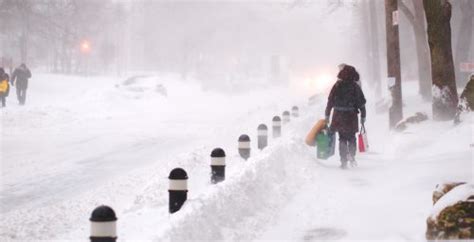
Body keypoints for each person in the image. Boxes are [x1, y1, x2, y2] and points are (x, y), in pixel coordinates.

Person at [325, 65, 367, 169]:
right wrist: (363, 116)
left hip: (338, 116)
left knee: (342, 138)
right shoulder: (355, 87)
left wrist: (327, 114)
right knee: (352, 137)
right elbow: (361, 103)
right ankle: (352, 155)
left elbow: (330, 101)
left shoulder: (337, 85)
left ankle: (343, 161)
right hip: (351, 116)